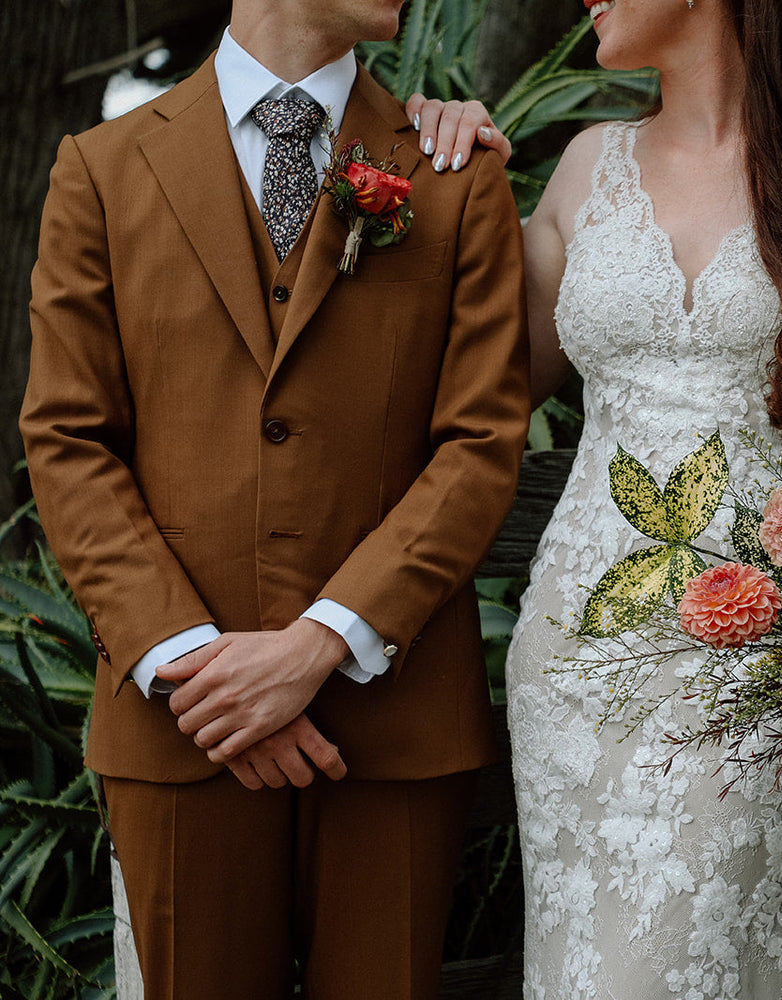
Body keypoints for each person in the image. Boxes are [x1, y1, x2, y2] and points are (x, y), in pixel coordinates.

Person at [411, 0, 782, 995]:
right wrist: (442, 176)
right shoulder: (585, 167)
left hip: (772, 678)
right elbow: (473, 385)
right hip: (581, 669)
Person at [19, 0, 531, 995]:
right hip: (184, 726)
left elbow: (479, 445)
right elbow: (67, 439)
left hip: (393, 727)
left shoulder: (454, 173)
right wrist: (195, 669)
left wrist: (318, 645)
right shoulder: (104, 170)